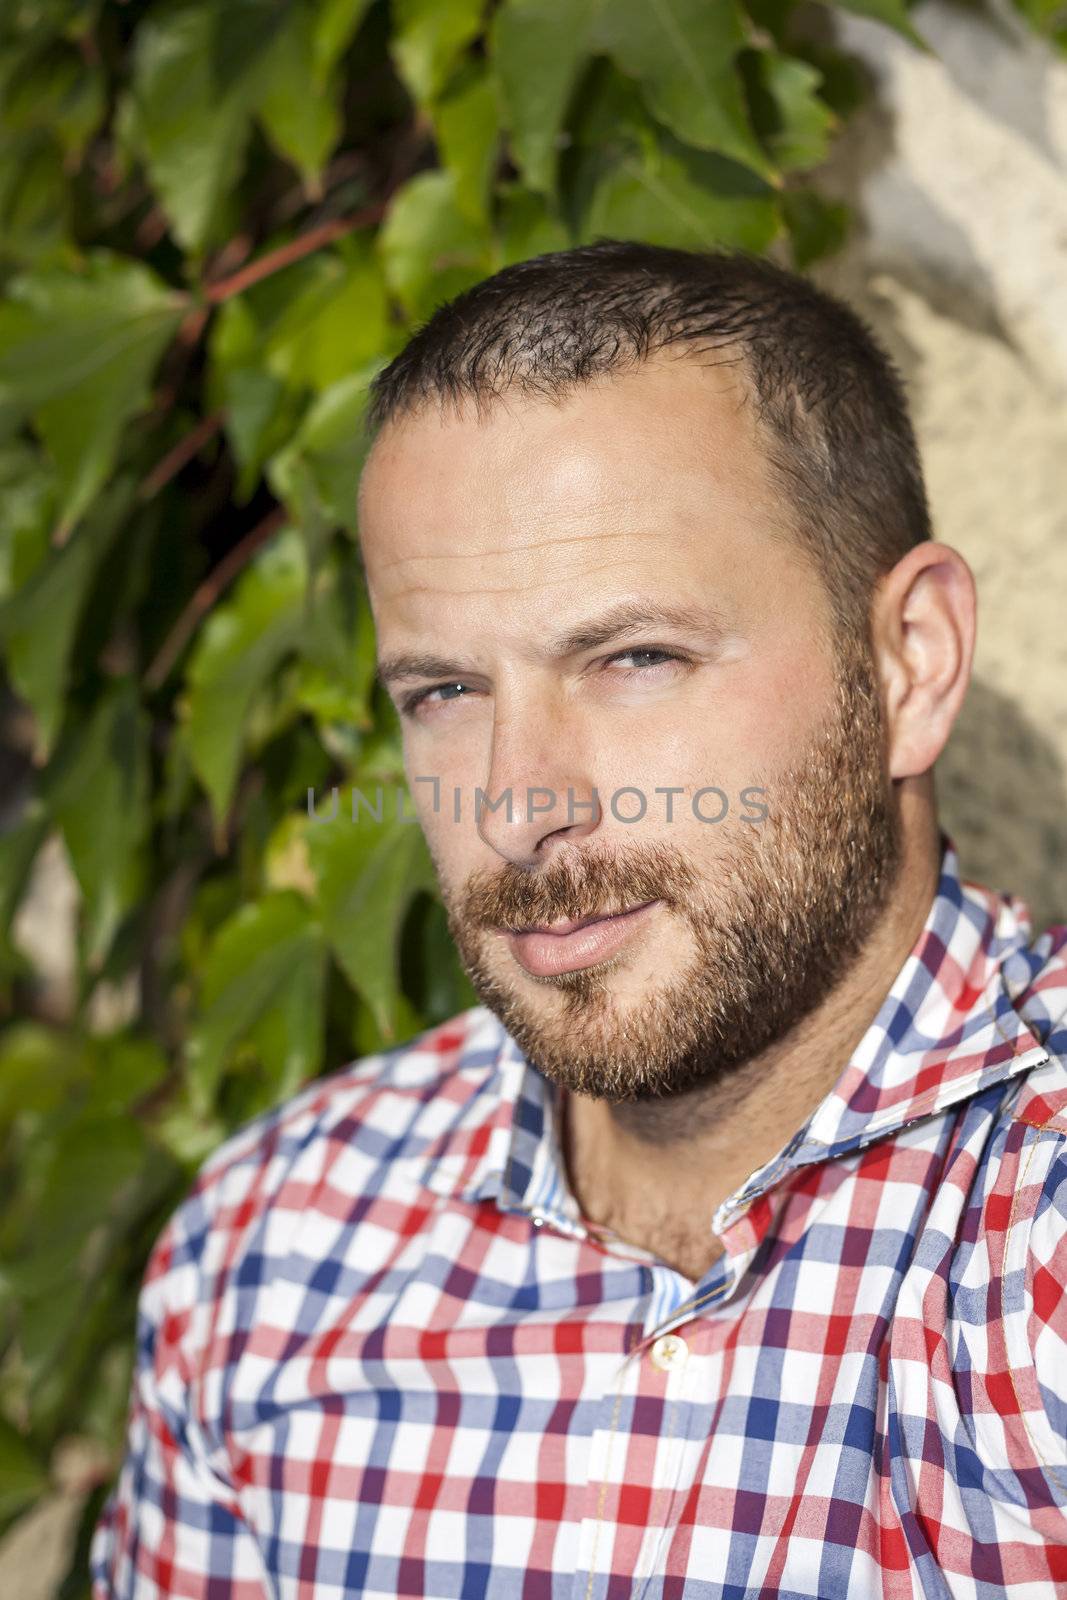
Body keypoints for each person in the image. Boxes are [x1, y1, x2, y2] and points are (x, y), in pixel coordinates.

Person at [92, 241, 1067, 1598]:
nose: (515, 805)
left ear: (912, 661)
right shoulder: (271, 1257)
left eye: (632, 660)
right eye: (442, 692)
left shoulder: (1032, 1251)